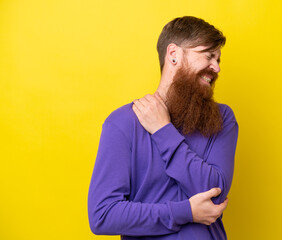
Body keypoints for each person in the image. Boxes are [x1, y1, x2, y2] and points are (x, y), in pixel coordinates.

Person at [88, 16, 238, 240]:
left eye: (218, 60)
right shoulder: (122, 123)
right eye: (208, 56)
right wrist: (185, 212)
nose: (216, 68)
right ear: (174, 54)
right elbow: (103, 215)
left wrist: (162, 131)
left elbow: (215, 194)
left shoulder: (223, 118)